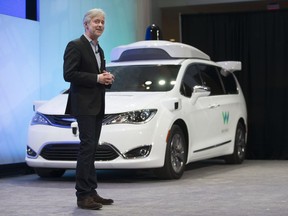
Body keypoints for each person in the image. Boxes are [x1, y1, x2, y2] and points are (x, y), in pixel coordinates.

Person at [63, 8, 114, 210]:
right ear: (86, 25)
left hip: (97, 104)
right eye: (96, 22)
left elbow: (98, 76)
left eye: (102, 22)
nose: (100, 25)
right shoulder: (75, 46)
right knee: (86, 148)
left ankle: (91, 191)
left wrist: (107, 79)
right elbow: (69, 74)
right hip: (83, 105)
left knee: (92, 148)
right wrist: (96, 78)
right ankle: (83, 196)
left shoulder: (99, 49)